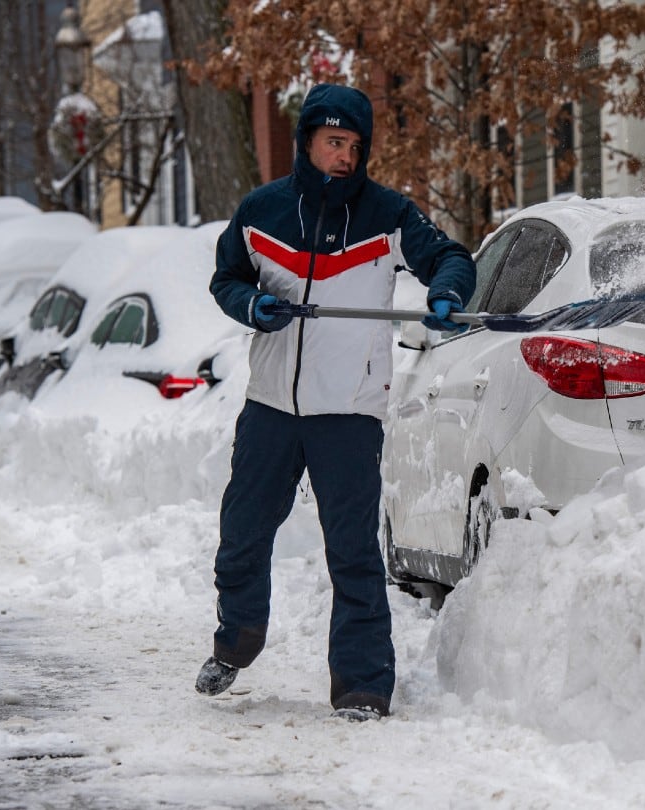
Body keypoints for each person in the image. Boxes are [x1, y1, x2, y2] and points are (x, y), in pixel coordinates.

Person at [196, 83, 476, 721]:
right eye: (333, 142)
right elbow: (227, 277)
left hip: (348, 412)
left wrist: (447, 294)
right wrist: (251, 306)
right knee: (242, 535)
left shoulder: (388, 215)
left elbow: (450, 258)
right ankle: (236, 640)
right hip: (271, 406)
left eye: (354, 146)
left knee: (352, 552)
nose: (344, 156)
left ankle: (363, 686)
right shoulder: (261, 210)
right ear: (307, 142)